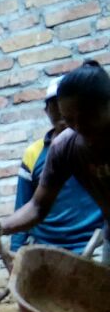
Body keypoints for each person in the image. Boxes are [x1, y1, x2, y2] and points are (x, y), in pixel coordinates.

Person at [0, 60, 110, 264]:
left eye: (86, 117)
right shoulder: (65, 147)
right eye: (69, 120)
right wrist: (1, 227)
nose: (78, 127)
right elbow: (37, 206)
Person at [9, 77, 105, 254]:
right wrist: (13, 248)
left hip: (92, 244)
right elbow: (32, 205)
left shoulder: (92, 144)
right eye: (54, 104)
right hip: (48, 250)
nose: (60, 112)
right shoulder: (43, 151)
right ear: (47, 110)